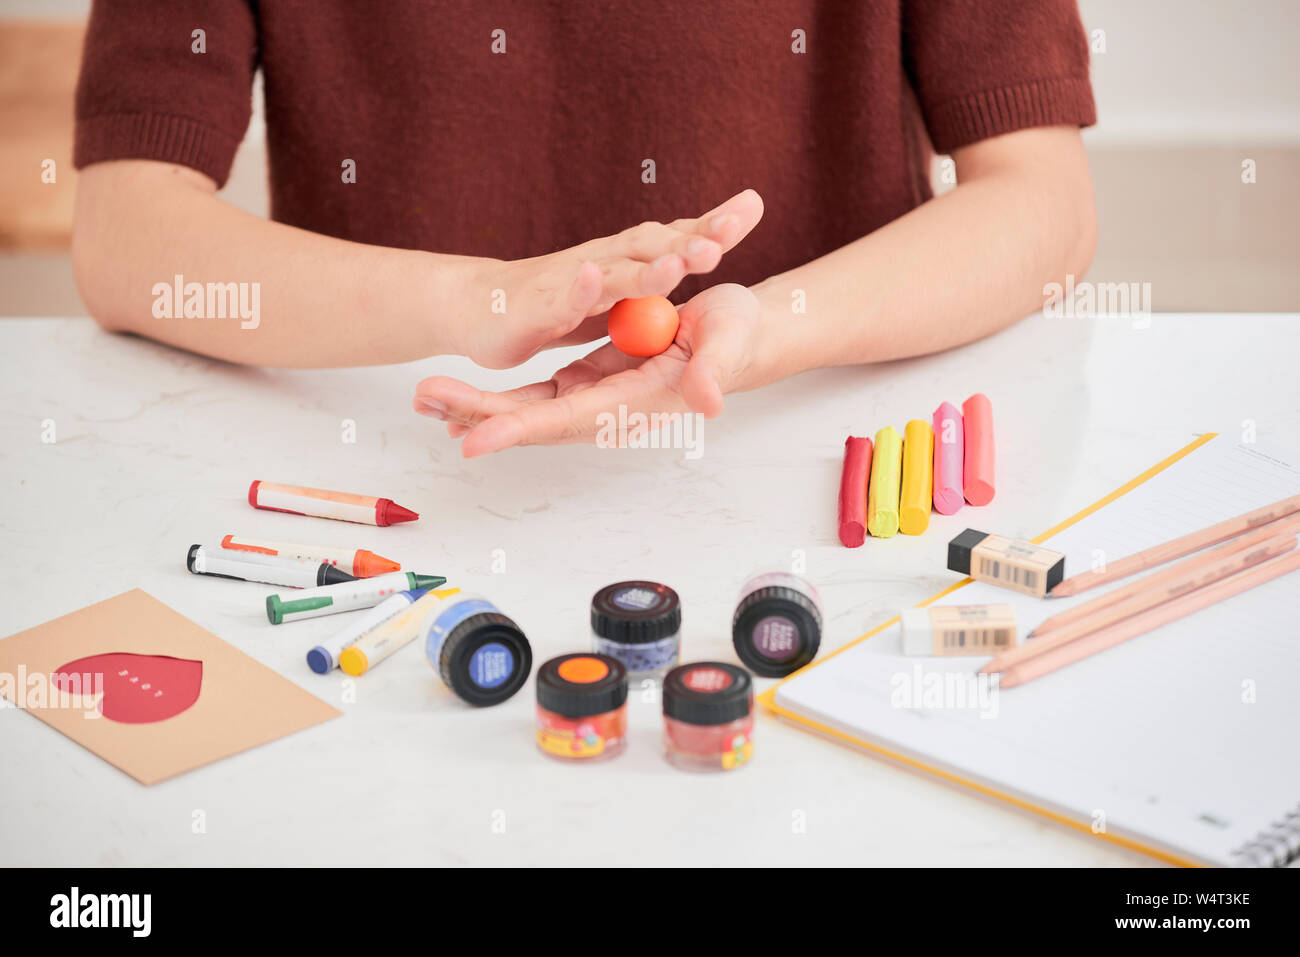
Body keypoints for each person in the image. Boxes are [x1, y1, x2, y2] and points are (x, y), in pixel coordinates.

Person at [72, 1, 1096, 457]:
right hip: (397, 454)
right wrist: (465, 300)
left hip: (838, 447)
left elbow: (1041, 203)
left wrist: (771, 330)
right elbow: (127, 237)